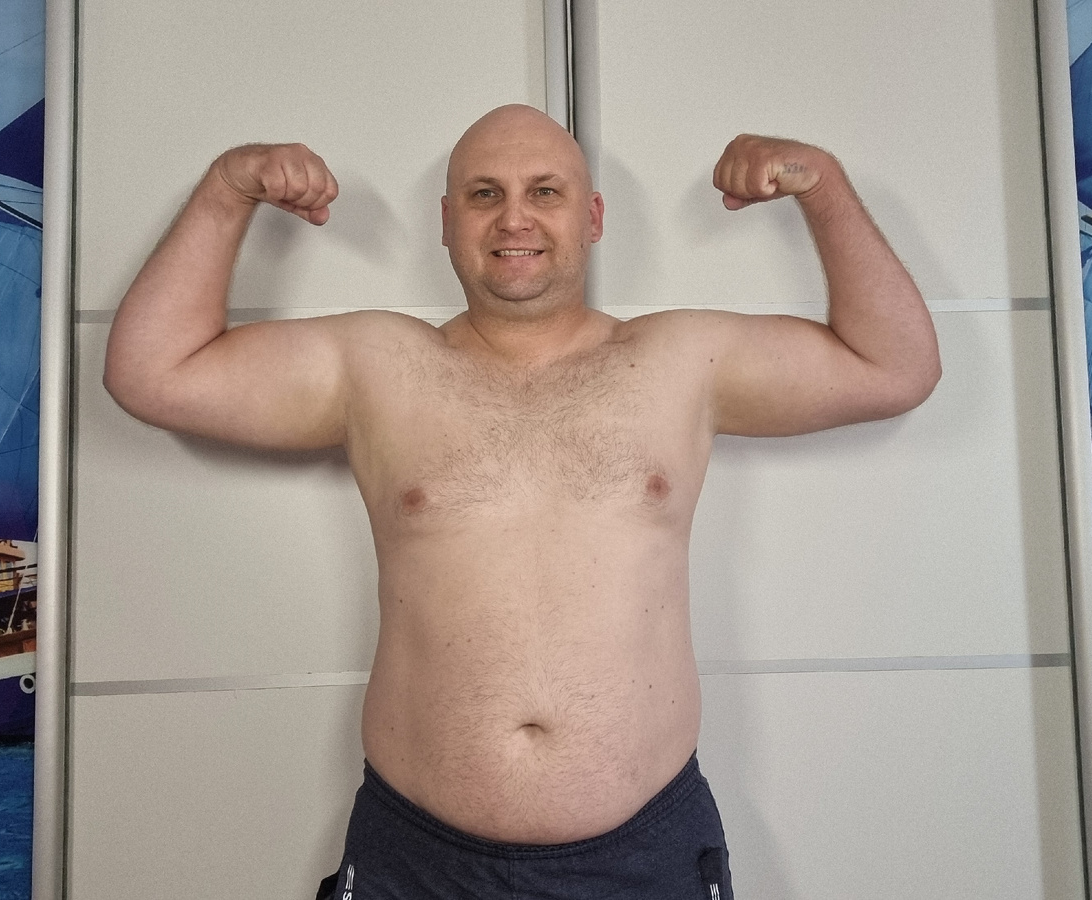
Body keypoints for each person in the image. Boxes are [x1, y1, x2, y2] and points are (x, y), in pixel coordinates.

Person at [104, 104, 940, 899]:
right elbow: (152, 373)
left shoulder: (684, 359)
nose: (514, 218)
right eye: (483, 194)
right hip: (419, 858)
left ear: (593, 217)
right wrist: (227, 189)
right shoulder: (375, 365)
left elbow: (894, 367)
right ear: (446, 222)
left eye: (545, 191)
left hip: (644, 854)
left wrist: (822, 185)